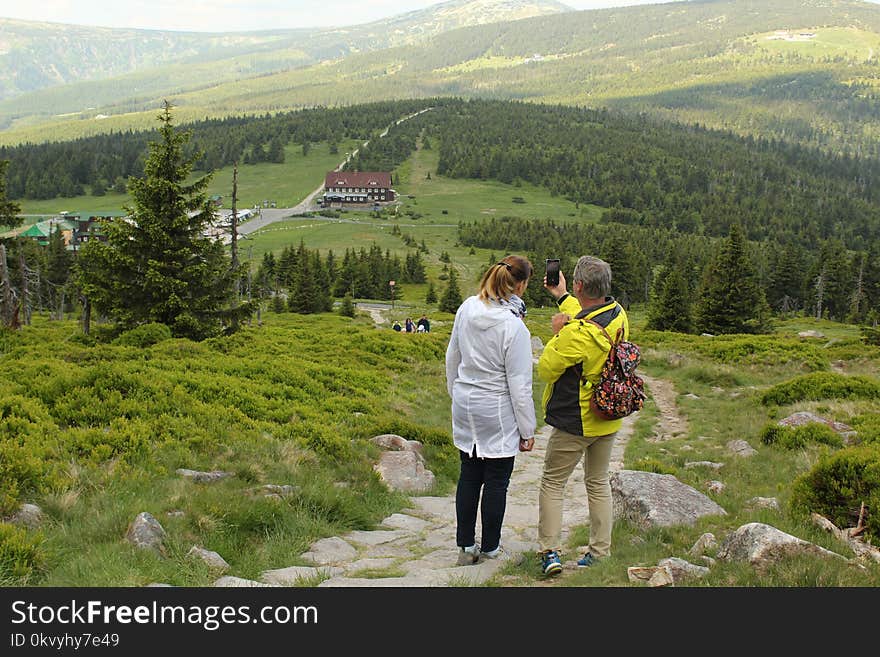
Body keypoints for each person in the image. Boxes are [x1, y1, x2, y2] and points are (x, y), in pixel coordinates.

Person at [535, 256, 630, 576]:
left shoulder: (575, 334)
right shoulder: (617, 315)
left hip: (576, 418)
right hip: (609, 416)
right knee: (598, 481)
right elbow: (589, 319)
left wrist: (558, 332)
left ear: (579, 285)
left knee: (553, 482)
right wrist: (562, 296)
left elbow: (547, 367)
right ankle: (600, 551)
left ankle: (550, 552)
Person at [446, 255, 537, 565]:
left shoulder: (467, 308)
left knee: (469, 474)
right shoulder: (514, 328)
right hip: (496, 408)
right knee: (497, 480)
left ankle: (465, 546)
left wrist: (456, 394)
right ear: (521, 285)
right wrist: (527, 431)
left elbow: (452, 357)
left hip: (466, 401)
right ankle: (491, 547)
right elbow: (520, 386)